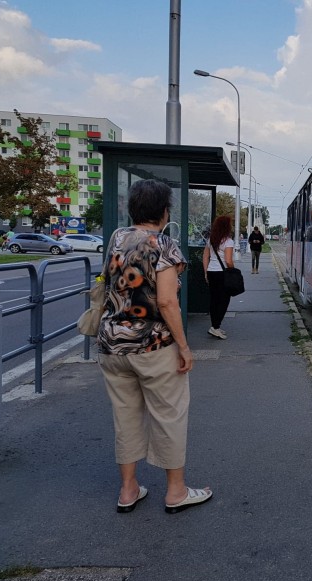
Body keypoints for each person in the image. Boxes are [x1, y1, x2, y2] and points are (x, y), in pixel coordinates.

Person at [98, 179, 212, 514]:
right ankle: (176, 491)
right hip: (153, 346)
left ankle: (128, 490)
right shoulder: (164, 245)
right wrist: (185, 347)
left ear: (133, 209)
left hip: (112, 346)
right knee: (169, 414)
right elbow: (166, 301)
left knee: (125, 415)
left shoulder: (117, 238)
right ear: (164, 212)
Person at [202, 215, 235, 339]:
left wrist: (206, 272)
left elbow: (205, 257)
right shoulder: (228, 241)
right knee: (224, 301)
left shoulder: (211, 239)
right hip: (223, 274)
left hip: (211, 272)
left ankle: (215, 326)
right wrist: (233, 269)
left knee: (214, 300)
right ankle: (215, 327)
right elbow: (228, 261)